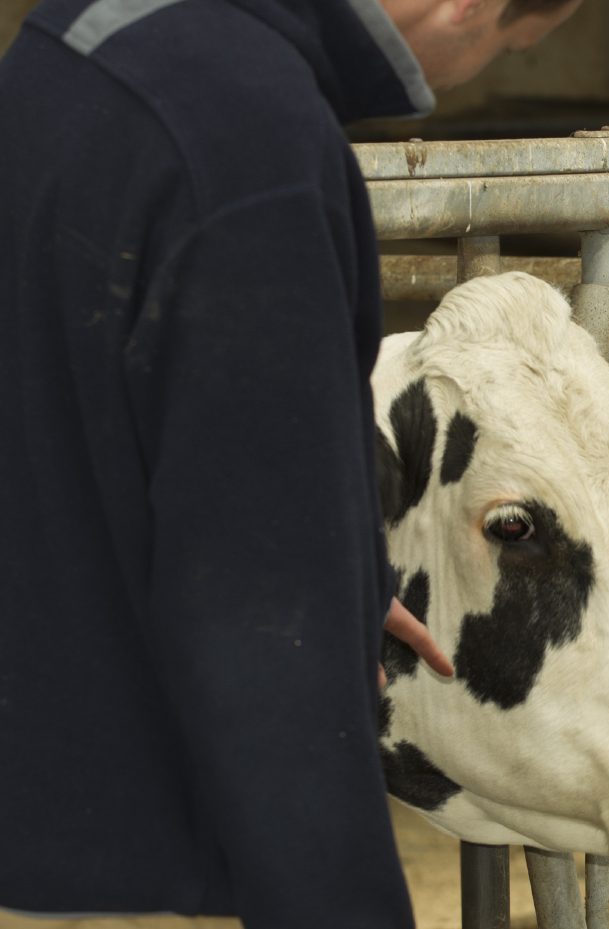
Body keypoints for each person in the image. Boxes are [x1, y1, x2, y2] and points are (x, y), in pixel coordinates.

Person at [0, 0, 579, 925]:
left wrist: (339, 549)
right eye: (507, 45)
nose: (462, 77)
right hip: (132, 860)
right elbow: (261, 626)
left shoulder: (77, 37)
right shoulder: (250, 141)